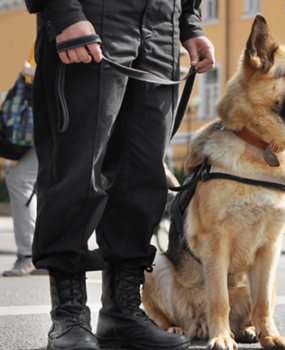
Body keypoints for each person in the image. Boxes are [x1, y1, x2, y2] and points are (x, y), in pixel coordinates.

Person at [25, 1, 214, 349]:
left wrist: (189, 21)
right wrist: (63, 11)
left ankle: (121, 312)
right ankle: (69, 316)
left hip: (163, 23)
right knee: (77, 170)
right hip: (94, 14)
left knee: (142, 175)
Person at [2, 46, 40, 277]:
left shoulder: (61, 21)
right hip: (47, 122)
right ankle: (42, 255)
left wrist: (33, 73)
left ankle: (29, 254)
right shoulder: (44, 28)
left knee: (18, 179)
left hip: (60, 124)